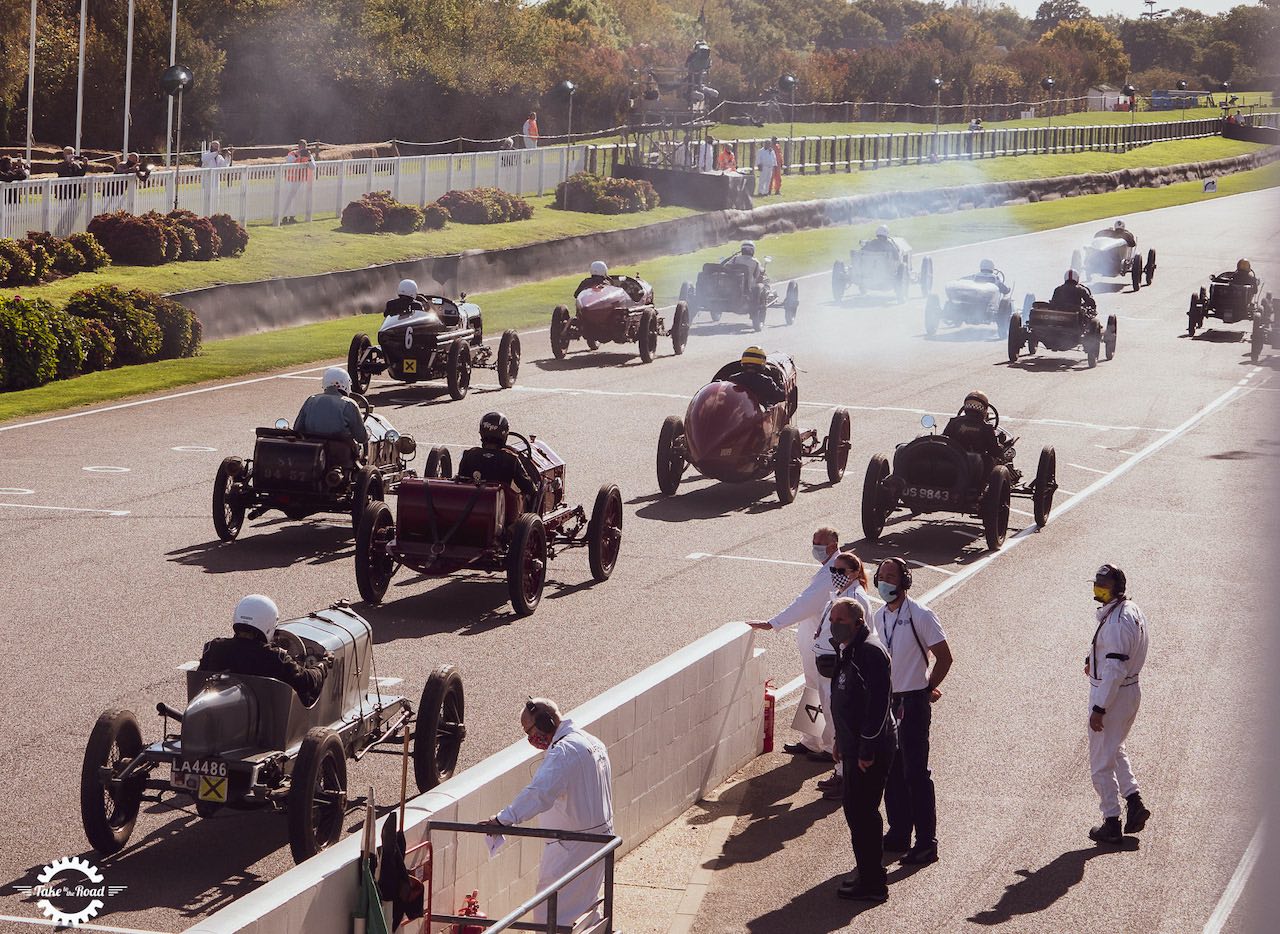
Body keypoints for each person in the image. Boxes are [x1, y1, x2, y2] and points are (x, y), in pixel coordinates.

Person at [481, 698, 613, 927]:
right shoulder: (592, 742)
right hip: (598, 839)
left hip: (572, 846)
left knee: (549, 915)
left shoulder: (564, 751)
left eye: (530, 731)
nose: (530, 739)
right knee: (586, 908)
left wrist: (503, 820)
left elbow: (539, 793)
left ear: (545, 721)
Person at [874, 557, 952, 866]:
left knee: (916, 773)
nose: (885, 582)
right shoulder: (878, 617)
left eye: (891, 576)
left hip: (912, 703)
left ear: (904, 581)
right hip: (887, 702)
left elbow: (944, 657)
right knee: (891, 771)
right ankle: (899, 831)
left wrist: (926, 687)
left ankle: (926, 842)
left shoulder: (921, 614)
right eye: (881, 576)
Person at [745, 527, 842, 760]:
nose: (815, 547)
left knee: (826, 695)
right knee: (814, 690)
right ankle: (811, 741)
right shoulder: (831, 568)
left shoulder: (833, 571)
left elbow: (805, 603)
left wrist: (773, 623)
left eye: (820, 543)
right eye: (814, 542)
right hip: (815, 645)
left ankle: (830, 747)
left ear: (833, 545)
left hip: (825, 648)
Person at [828, 597, 896, 903]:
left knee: (863, 814)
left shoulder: (869, 652)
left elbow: (879, 704)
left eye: (840, 620)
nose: (834, 625)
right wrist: (840, 740)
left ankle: (873, 884)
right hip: (854, 745)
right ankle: (868, 871)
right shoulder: (849, 649)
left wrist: (866, 748)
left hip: (871, 749)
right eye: (832, 619)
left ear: (857, 623)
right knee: (855, 813)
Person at [1085, 564, 1151, 844]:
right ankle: (1134, 802)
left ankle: (1111, 820)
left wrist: (1099, 708)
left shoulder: (1116, 623)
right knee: (1115, 748)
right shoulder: (1130, 611)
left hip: (1112, 695)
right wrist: (1092, 659)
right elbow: (1116, 655)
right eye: (1097, 583)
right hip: (1127, 691)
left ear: (1116, 589)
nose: (1098, 588)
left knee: (1100, 761)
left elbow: (1114, 668)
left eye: (1103, 585)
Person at [811, 551, 874, 799]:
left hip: (840, 666)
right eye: (833, 571)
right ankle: (840, 772)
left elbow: (864, 634)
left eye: (841, 571)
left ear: (855, 573)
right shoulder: (840, 594)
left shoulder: (856, 598)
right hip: (827, 664)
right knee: (831, 715)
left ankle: (845, 777)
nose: (835, 575)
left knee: (841, 722)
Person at [197, 595, 332, 706]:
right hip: (267, 726)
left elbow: (199, 682)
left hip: (214, 719)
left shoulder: (213, 648)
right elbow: (306, 683)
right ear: (268, 624)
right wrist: (322, 665)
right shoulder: (275, 657)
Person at [457, 411, 538, 504]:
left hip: (471, 508)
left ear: (482, 432)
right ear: (504, 434)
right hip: (501, 510)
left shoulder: (469, 454)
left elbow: (461, 482)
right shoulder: (510, 458)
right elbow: (528, 487)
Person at [293, 367, 368, 446]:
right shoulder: (349, 404)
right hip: (340, 454)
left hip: (313, 452)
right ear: (345, 383)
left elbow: (297, 429)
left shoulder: (311, 400)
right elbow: (361, 438)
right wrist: (368, 433)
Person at [942, 390, 1009, 467]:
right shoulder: (986, 427)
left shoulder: (954, 422)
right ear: (984, 409)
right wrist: (1000, 442)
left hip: (955, 465)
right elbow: (995, 452)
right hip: (977, 469)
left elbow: (945, 441)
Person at [712, 346, 787, 407]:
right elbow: (781, 396)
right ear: (762, 365)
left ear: (743, 363)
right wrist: (780, 382)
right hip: (759, 418)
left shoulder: (733, 379)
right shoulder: (766, 381)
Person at [281, 139, 316, 224]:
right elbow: (289, 162)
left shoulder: (308, 155)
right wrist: (298, 155)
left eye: (304, 147)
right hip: (291, 180)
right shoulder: (292, 154)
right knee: (288, 198)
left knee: (297, 199)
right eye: (301, 147)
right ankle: (284, 217)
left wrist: (309, 158)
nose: (303, 149)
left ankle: (292, 216)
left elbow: (313, 167)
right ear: (298, 147)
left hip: (300, 180)